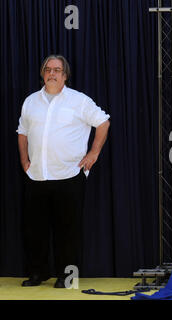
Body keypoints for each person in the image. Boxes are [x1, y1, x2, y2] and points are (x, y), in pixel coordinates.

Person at [17, 55, 110, 288]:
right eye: (48, 69)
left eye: (57, 70)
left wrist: (94, 153)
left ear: (65, 75)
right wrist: (24, 161)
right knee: (34, 230)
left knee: (67, 232)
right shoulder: (31, 102)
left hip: (68, 175)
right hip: (37, 175)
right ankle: (37, 274)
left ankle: (66, 277)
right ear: (42, 73)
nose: (52, 73)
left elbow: (103, 122)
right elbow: (22, 132)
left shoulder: (79, 101)